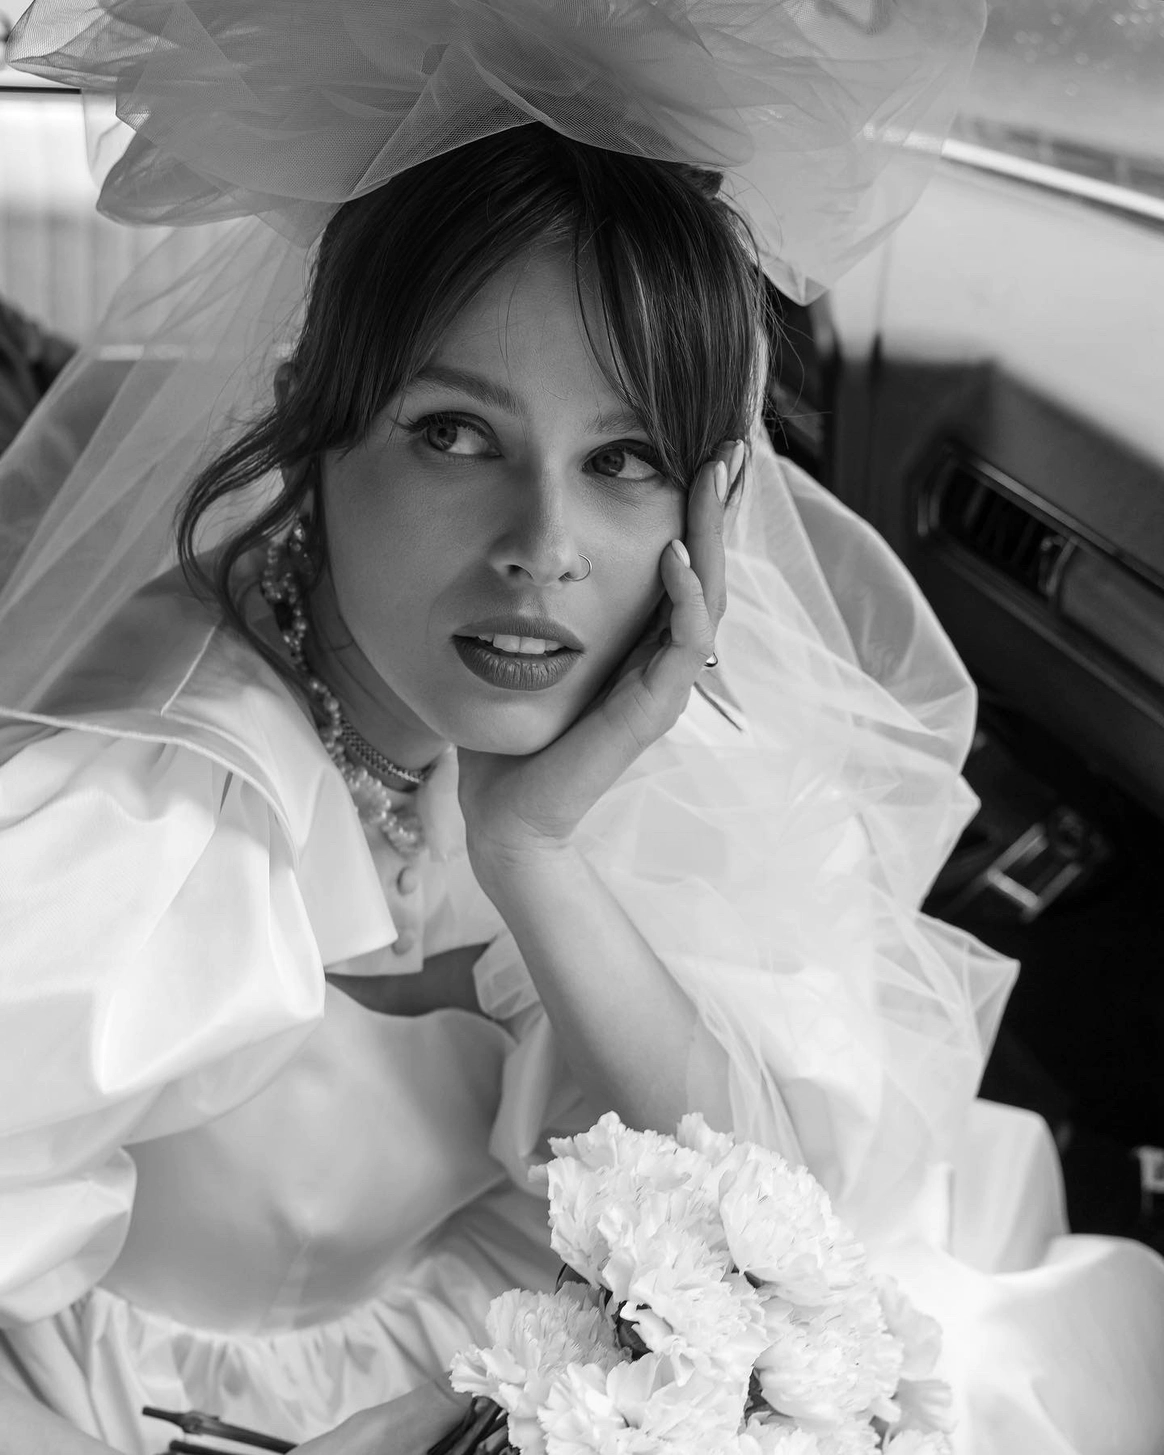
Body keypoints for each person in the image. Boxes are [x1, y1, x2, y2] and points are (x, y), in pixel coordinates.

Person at [1, 4, 1163, 1455]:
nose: (544, 549)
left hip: (480, 1342)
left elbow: (774, 1239)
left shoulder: (564, 721)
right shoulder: (156, 810)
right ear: (312, 422)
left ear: (709, 499)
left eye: (624, 458)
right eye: (455, 433)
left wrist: (533, 848)